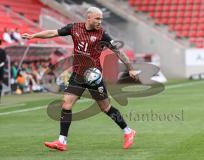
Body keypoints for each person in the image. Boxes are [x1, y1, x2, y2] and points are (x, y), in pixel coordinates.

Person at [22, 7, 138, 151]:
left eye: (101, 19)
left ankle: (128, 131)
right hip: (77, 75)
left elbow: (118, 51)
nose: (99, 22)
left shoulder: (102, 34)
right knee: (66, 104)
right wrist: (34, 36)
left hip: (93, 77)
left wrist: (130, 67)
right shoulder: (74, 28)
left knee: (105, 108)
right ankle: (61, 141)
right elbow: (53, 32)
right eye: (97, 18)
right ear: (88, 18)